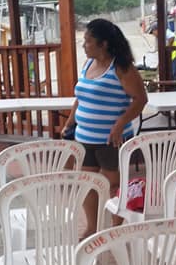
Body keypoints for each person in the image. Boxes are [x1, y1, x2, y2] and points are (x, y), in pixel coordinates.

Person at [60, 19, 147, 239]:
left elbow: (140, 99)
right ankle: (93, 226)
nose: (84, 45)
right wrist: (70, 122)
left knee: (113, 185)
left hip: (111, 140)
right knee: (86, 183)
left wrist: (120, 124)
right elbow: (80, 98)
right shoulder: (88, 64)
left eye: (88, 41)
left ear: (104, 44)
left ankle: (114, 229)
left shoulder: (121, 68)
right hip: (84, 138)